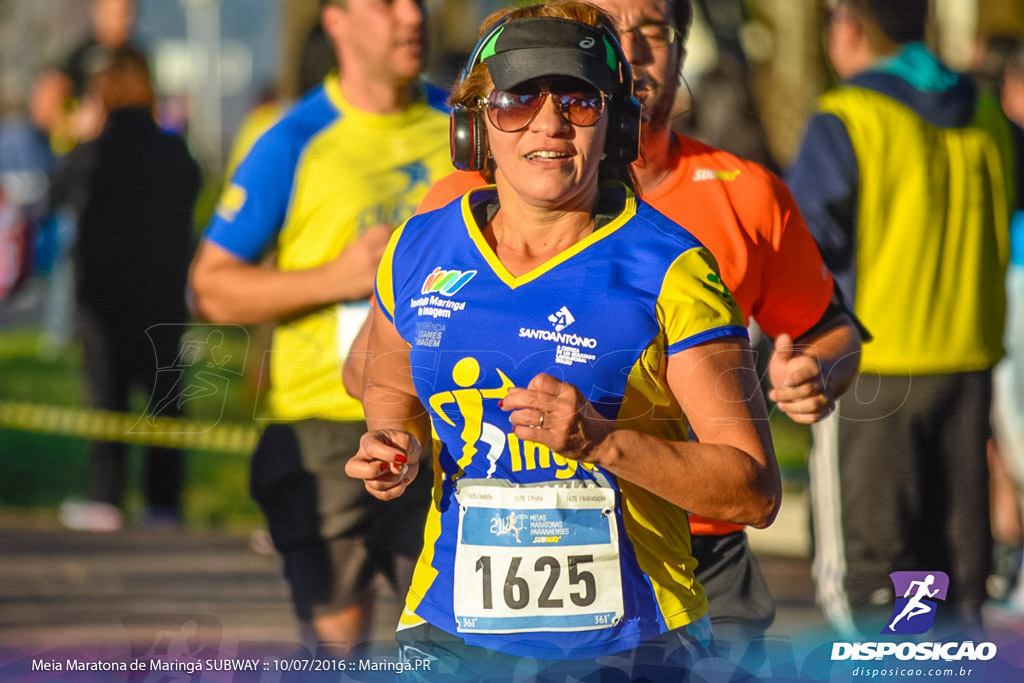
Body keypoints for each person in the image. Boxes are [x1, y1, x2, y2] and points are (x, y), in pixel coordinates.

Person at [372, 0, 862, 652]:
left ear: (616, 126)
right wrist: (391, 438)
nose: (548, 123)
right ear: (475, 128)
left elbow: (754, 489)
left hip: (631, 638)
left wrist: (603, 443)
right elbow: (384, 380)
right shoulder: (422, 243)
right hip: (452, 630)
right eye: (517, 101)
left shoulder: (675, 266)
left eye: (579, 101)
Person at [189, 0, 452, 653]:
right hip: (328, 431)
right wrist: (335, 277)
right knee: (339, 660)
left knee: (461, 651)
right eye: (387, 3)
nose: (411, 17)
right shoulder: (293, 138)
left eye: (419, 1)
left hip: (453, 421)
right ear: (335, 19)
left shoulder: (468, 127)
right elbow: (210, 287)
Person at [787, 0, 1018, 635]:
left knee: (873, 576)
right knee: (955, 570)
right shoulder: (988, 115)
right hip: (969, 375)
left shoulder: (849, 117)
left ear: (851, 27)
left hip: (871, 374)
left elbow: (805, 252)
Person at [51, 48, 199, 532]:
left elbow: (56, 196)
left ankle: (105, 499)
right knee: (163, 396)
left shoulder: (93, 151)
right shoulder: (174, 151)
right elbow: (192, 192)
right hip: (162, 288)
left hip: (102, 294)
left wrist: (80, 135)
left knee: (105, 391)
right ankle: (163, 504)